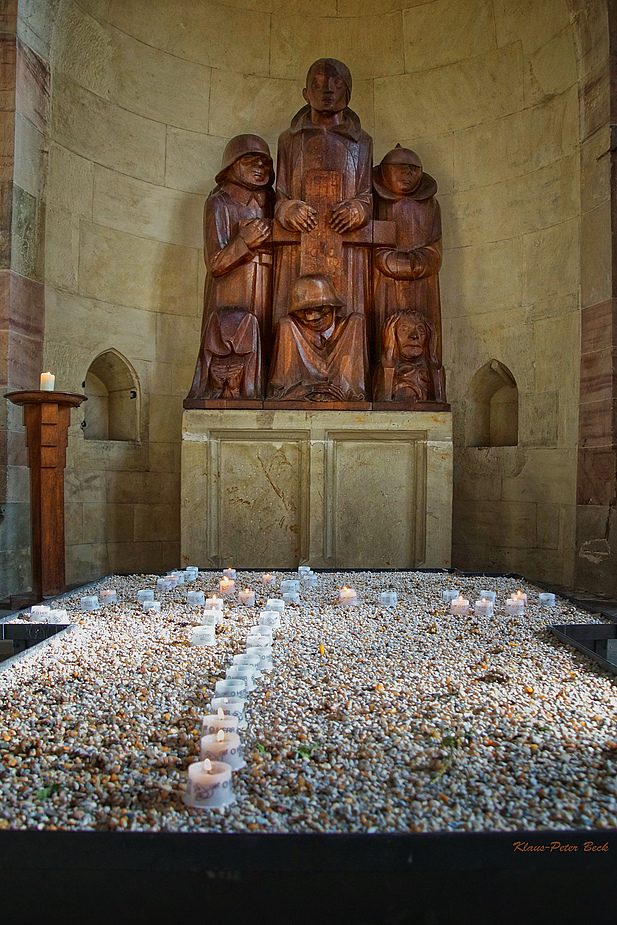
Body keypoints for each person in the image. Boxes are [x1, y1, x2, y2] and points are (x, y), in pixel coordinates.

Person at [273, 58, 372, 329]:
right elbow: (280, 193)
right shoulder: (289, 139)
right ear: (305, 94)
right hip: (299, 244)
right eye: (317, 84)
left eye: (335, 83)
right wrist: (287, 209)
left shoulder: (361, 141)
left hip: (346, 247)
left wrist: (358, 209)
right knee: (293, 321)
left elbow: (366, 194)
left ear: (348, 92)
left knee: (349, 318)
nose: (326, 90)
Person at [185, 134, 274, 404]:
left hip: (267, 284)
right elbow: (215, 263)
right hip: (231, 289)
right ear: (232, 165)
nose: (260, 168)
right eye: (250, 161)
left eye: (265, 163)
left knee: (265, 342)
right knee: (231, 343)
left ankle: (261, 389)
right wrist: (244, 242)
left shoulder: (271, 204)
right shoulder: (219, 203)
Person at [372, 145, 444, 382]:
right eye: (400, 169)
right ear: (384, 172)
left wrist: (415, 264)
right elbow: (368, 242)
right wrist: (386, 260)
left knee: (423, 330)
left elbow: (435, 247)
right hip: (383, 281)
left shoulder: (431, 205)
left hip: (422, 282)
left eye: (413, 170)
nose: (407, 175)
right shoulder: (374, 202)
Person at [267, 274, 369, 402]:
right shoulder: (289, 328)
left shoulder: (352, 327)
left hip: (345, 410)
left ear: (333, 306)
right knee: (285, 323)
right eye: (303, 311)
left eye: (319, 308)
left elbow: (357, 394)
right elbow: (278, 393)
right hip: (300, 407)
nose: (311, 317)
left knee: (356, 320)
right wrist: (305, 391)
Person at [373, 309, 445, 402]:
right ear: (392, 334)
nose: (414, 336)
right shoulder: (384, 369)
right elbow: (383, 402)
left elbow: (440, 403)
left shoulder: (432, 370)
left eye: (421, 330)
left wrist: (432, 356)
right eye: (404, 329)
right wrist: (389, 350)